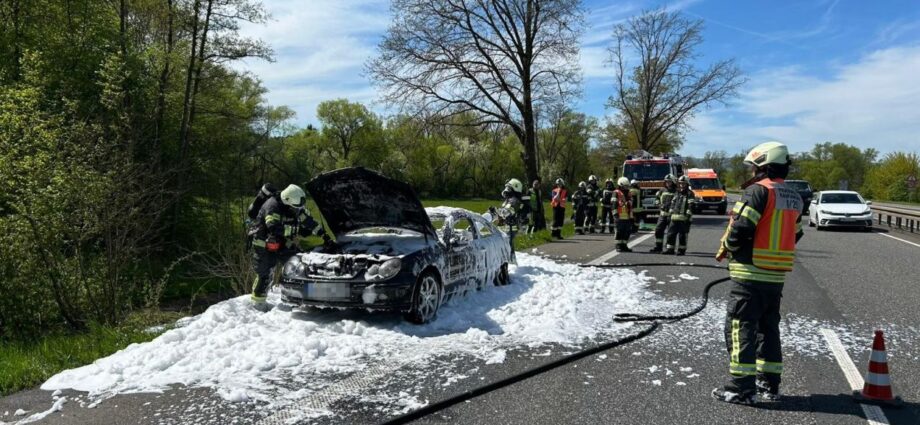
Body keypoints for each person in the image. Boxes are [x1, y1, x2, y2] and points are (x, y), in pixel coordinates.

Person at [711, 141, 804, 405]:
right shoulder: (793, 197)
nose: (751, 172)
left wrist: (729, 248)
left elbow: (741, 228)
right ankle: (769, 383)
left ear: (764, 166)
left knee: (740, 327)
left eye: (753, 167)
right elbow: (796, 233)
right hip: (775, 276)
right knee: (768, 329)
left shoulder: (757, 192)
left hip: (750, 274)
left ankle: (741, 388)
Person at [250, 184, 327, 307]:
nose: (298, 209)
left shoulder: (292, 205)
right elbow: (273, 227)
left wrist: (323, 234)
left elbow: (308, 220)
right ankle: (257, 304)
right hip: (263, 243)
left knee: (298, 265)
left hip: (281, 241)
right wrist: (297, 230)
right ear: (287, 200)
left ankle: (302, 298)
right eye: (296, 207)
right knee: (265, 274)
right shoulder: (272, 206)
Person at [662, 176, 695, 255]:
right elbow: (673, 204)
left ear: (687, 184)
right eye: (680, 184)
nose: (681, 185)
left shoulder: (690, 193)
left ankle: (681, 250)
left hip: (684, 219)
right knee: (670, 234)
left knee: (682, 235)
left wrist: (687, 216)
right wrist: (670, 214)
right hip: (674, 218)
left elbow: (691, 206)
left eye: (683, 184)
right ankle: (670, 249)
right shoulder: (677, 192)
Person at [498, 178, 525, 262]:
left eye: (508, 188)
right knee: (507, 246)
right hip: (506, 227)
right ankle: (510, 263)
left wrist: (497, 212)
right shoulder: (509, 200)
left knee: (508, 246)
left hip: (511, 227)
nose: (506, 190)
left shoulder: (514, 201)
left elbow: (507, 212)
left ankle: (512, 263)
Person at [649, 175, 677, 252]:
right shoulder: (662, 190)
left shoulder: (676, 191)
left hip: (672, 215)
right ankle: (658, 247)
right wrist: (658, 203)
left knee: (671, 232)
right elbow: (657, 198)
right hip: (663, 215)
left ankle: (670, 249)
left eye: (669, 181)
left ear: (673, 182)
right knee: (658, 230)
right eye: (666, 181)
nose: (667, 183)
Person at [614, 177, 633, 252]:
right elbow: (613, 204)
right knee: (619, 231)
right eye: (625, 186)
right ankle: (618, 245)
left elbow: (631, 204)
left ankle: (624, 245)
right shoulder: (616, 192)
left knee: (627, 232)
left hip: (627, 216)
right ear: (620, 185)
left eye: (627, 186)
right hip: (619, 216)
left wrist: (631, 216)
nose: (626, 187)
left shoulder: (628, 193)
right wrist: (615, 215)